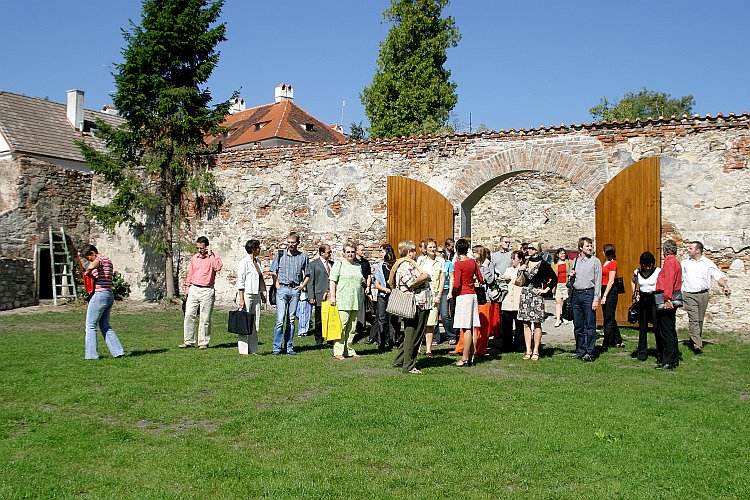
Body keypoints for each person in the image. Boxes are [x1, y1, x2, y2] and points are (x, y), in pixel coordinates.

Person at [681, 241, 731, 353]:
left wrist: (725, 286)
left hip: (703, 294)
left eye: (690, 248)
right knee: (693, 319)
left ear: (697, 250)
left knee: (699, 319)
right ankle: (698, 345)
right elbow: (680, 278)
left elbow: (718, 276)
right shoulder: (685, 263)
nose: (688, 250)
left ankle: (693, 340)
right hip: (689, 294)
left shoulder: (708, 263)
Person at [390, 240, 431, 374]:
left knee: (410, 333)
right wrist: (424, 277)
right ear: (408, 253)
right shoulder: (404, 266)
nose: (415, 253)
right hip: (416, 303)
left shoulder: (411, 265)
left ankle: (400, 360)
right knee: (414, 334)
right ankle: (409, 365)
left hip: (421, 302)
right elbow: (411, 283)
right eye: (413, 251)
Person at [81, 244, 125, 360]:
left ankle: (91, 355)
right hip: (109, 294)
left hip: (100, 295)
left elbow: (92, 265)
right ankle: (118, 352)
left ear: (92, 253)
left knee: (90, 325)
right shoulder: (108, 260)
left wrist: (87, 272)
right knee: (105, 325)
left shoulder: (99, 259)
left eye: (88, 257)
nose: (89, 260)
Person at [269, 232, 309, 355]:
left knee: (291, 320)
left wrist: (302, 285)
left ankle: (289, 346)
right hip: (282, 289)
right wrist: (277, 285)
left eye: (293, 242)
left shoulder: (303, 256)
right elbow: (273, 271)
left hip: (295, 290)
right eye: (289, 242)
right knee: (280, 319)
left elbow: (307, 274)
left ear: (298, 243)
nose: (290, 245)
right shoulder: (280, 255)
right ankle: (276, 347)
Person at [181, 236, 223, 349]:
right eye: (198, 248)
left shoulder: (213, 257)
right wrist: (187, 289)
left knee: (205, 317)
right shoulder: (194, 258)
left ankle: (203, 342)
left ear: (207, 247)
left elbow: (218, 267)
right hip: (194, 288)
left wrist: (211, 255)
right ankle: (188, 341)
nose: (200, 250)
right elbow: (190, 273)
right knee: (189, 314)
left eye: (202, 248)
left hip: (207, 289)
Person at [516, 242, 556, 361]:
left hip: (537, 294)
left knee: (537, 322)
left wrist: (546, 290)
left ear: (537, 250)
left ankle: (536, 350)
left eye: (532, 248)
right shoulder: (526, 262)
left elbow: (554, 278)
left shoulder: (543, 264)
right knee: (526, 323)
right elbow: (519, 280)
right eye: (528, 248)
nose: (529, 250)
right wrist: (520, 269)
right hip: (525, 293)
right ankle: (528, 349)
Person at [328, 242, 364, 360]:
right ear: (344, 253)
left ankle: (349, 349)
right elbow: (332, 280)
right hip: (343, 299)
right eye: (348, 252)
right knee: (342, 327)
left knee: (352, 328)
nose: (350, 254)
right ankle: (338, 350)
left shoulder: (357, 266)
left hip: (355, 300)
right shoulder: (339, 264)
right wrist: (332, 296)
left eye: (352, 252)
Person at [569, 237, 602, 362]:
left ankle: (590, 352)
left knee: (589, 325)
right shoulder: (575, 261)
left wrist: (596, 299)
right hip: (576, 294)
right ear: (581, 247)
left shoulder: (595, 261)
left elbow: (598, 281)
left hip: (589, 293)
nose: (590, 248)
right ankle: (580, 350)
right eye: (587, 246)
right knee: (578, 325)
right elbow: (571, 279)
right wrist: (571, 275)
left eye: (590, 246)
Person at [452, 238, 482, 367]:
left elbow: (457, 283)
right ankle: (471, 356)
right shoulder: (473, 262)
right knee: (473, 326)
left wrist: (453, 284)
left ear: (457, 250)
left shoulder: (458, 264)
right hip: (473, 295)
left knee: (466, 328)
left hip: (463, 295)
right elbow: (480, 278)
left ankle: (464, 358)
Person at [655, 239, 682, 370]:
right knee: (670, 329)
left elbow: (669, 281)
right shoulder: (675, 261)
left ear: (665, 250)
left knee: (666, 331)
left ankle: (668, 360)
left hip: (667, 299)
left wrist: (667, 299)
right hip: (670, 298)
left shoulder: (669, 262)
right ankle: (673, 359)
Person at [236, 239, 266, 356]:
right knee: (245, 321)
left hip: (256, 294)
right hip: (247, 294)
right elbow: (241, 281)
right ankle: (243, 349)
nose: (260, 250)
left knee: (254, 321)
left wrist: (262, 294)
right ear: (253, 249)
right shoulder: (244, 262)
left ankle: (253, 349)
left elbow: (259, 279)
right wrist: (241, 298)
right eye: (258, 248)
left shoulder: (258, 262)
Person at [416, 238, 445, 356]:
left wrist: (439, 295)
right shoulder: (420, 260)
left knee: (431, 323)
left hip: (434, 294)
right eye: (430, 247)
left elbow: (442, 279)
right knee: (420, 322)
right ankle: (417, 348)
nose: (433, 249)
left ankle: (428, 349)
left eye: (434, 247)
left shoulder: (440, 261)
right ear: (425, 249)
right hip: (422, 293)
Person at [632, 251, 661, 362]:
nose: (648, 267)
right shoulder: (638, 272)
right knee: (642, 327)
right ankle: (642, 352)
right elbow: (633, 281)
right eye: (645, 264)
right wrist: (635, 293)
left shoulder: (658, 271)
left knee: (656, 327)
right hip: (643, 300)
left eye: (649, 264)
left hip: (654, 299)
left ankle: (660, 352)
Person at [372, 245, 400, 349]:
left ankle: (392, 340)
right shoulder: (380, 267)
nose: (390, 265)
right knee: (382, 318)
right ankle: (381, 341)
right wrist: (385, 289)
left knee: (393, 318)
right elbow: (377, 283)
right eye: (389, 263)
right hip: (383, 295)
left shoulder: (397, 266)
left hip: (394, 295)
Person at [305, 244, 333, 346]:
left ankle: (330, 339)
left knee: (330, 318)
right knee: (319, 319)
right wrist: (311, 296)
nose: (330, 253)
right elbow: (310, 281)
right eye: (328, 252)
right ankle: (319, 339)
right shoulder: (313, 265)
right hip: (319, 295)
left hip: (330, 295)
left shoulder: (332, 264)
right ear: (322, 253)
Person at [501, 250, 526, 352]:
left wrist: (518, 271)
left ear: (519, 260)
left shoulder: (523, 269)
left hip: (518, 301)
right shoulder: (509, 269)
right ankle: (507, 347)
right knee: (506, 326)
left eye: (514, 258)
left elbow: (519, 281)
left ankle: (520, 346)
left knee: (520, 326)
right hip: (507, 301)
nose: (512, 260)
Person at [600, 243, 624, 349]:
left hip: (610, 291)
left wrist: (605, 296)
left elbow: (611, 281)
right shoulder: (605, 263)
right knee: (608, 315)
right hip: (603, 288)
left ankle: (607, 340)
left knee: (608, 316)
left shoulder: (613, 263)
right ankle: (617, 340)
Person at [354, 243, 373, 341]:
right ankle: (356, 327)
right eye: (361, 250)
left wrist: (368, 286)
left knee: (363, 308)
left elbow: (369, 275)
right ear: (357, 251)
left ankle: (361, 328)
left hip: (363, 287)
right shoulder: (353, 262)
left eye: (364, 250)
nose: (363, 251)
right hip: (354, 287)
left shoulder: (365, 262)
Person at [551, 248, 571, 327]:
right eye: (561, 253)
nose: (563, 255)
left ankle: (564, 316)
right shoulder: (554, 264)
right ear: (557, 255)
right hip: (558, 284)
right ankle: (558, 319)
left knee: (564, 301)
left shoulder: (568, 262)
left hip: (565, 284)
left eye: (564, 253)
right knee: (558, 301)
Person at [440, 254, 457, 345]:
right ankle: (435, 337)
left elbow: (452, 278)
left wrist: (450, 292)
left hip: (445, 290)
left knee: (444, 314)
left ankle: (451, 335)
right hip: (434, 289)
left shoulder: (448, 263)